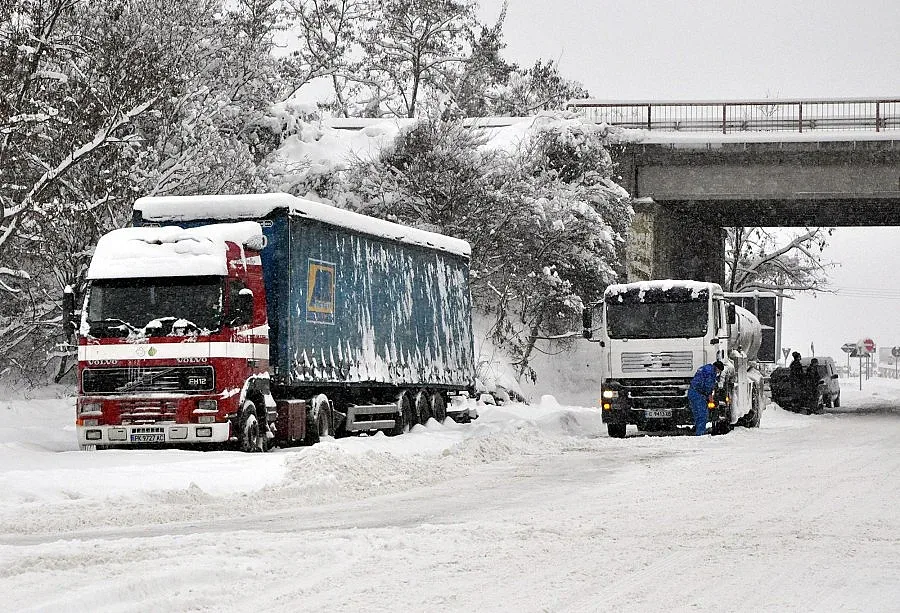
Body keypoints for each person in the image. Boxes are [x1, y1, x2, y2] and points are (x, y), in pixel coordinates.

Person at [688, 360, 725, 436]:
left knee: (697, 413)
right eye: (719, 371)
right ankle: (700, 433)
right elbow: (708, 385)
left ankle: (697, 429)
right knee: (702, 414)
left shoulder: (705, 368)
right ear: (717, 368)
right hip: (698, 394)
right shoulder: (711, 372)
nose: (718, 373)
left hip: (692, 392)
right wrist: (710, 395)